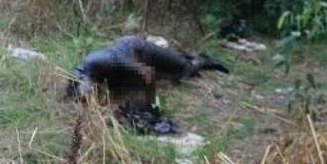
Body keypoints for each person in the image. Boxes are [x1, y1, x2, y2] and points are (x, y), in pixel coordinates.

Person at [66, 35, 230, 104]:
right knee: (166, 75)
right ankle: (184, 58)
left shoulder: (114, 62)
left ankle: (202, 60)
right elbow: (75, 92)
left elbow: (147, 73)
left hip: (138, 48)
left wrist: (150, 104)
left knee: (182, 67)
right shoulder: (81, 72)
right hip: (124, 56)